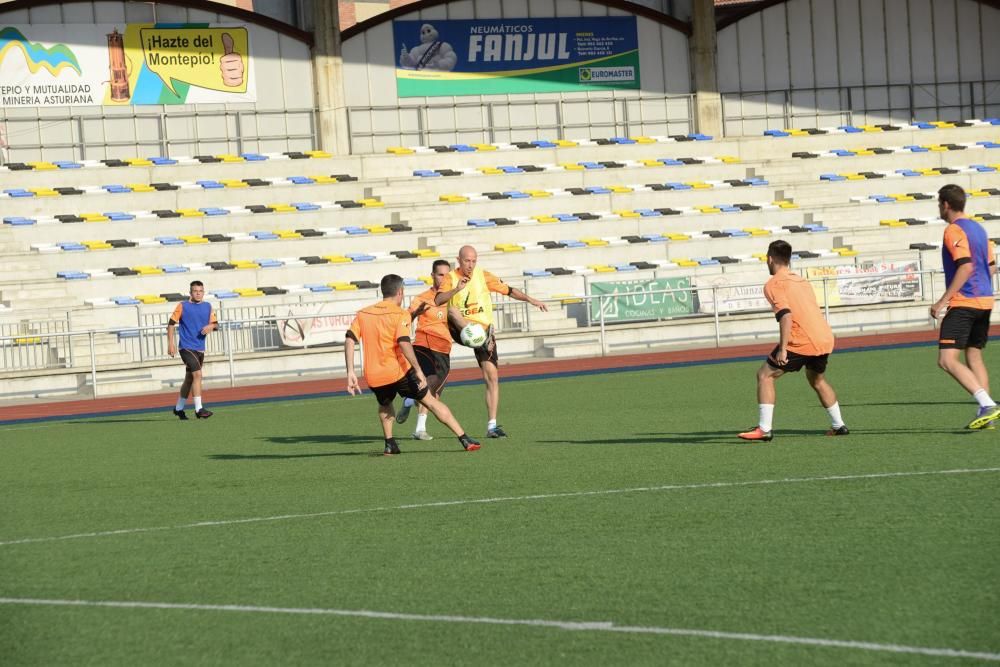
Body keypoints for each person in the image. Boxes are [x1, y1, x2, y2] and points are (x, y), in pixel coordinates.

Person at [344, 273, 481, 455]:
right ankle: (464, 438)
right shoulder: (400, 314)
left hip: (375, 376)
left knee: (385, 405)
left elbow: (349, 339)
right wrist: (418, 370)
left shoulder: (363, 314)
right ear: (400, 292)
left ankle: (390, 443)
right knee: (430, 401)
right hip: (399, 372)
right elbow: (403, 342)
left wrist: (351, 372)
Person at [434, 245, 548, 438]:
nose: (470, 265)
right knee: (452, 310)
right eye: (467, 261)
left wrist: (531, 300)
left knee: (492, 376)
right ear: (459, 260)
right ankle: (477, 337)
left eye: (473, 261)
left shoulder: (483, 275)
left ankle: (492, 426)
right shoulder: (450, 278)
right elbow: (438, 300)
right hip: (459, 328)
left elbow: (509, 290)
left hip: (483, 331)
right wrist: (456, 289)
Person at [739, 240, 847, 441]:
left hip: (802, 340)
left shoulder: (773, 284)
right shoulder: (802, 281)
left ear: (770, 259)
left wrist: (783, 349)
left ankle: (764, 429)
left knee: (765, 375)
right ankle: (839, 425)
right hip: (824, 337)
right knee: (817, 379)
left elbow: (786, 316)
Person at [930, 184, 1000, 429]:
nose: (939, 208)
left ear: (946, 204)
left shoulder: (953, 230)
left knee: (946, 360)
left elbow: (966, 266)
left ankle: (987, 404)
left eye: (939, 203)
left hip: (965, 302)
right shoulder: (980, 230)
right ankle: (986, 414)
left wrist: (942, 301)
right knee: (974, 355)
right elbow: (991, 266)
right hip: (985, 300)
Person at [396, 259, 467, 440]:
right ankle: (419, 429)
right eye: (440, 274)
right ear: (432, 276)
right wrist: (415, 313)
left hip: (443, 350)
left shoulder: (452, 299)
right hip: (423, 346)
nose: (443, 278)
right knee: (428, 381)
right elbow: (405, 320)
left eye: (446, 274)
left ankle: (410, 400)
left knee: (434, 392)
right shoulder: (421, 298)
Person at [167, 280, 217, 420]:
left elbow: (216, 324)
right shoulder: (183, 306)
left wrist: (211, 327)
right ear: (190, 293)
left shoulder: (208, 306)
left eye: (200, 291)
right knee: (198, 375)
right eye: (195, 291)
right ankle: (198, 409)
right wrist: (170, 344)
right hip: (186, 348)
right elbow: (170, 324)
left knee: (189, 379)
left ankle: (178, 408)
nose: (198, 293)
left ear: (203, 292)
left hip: (200, 349)